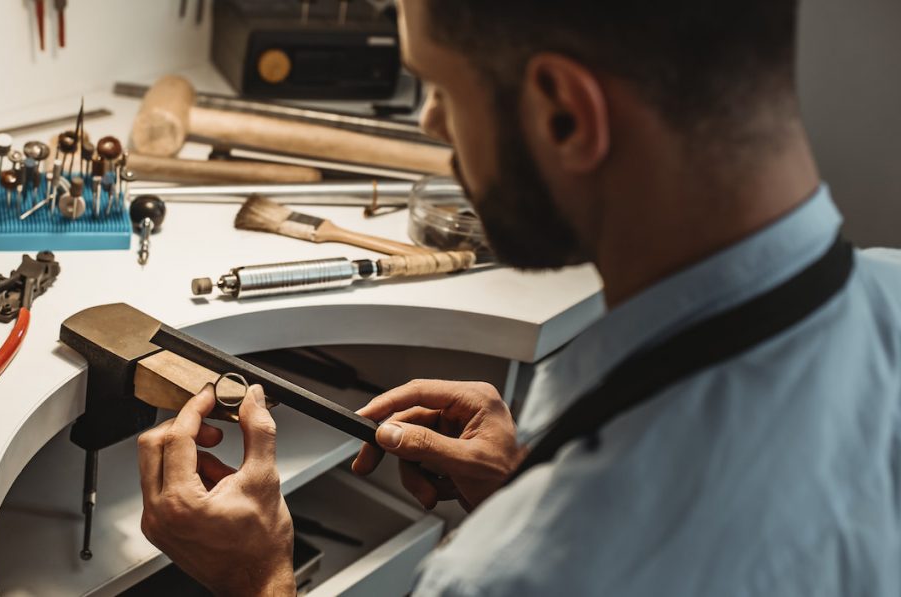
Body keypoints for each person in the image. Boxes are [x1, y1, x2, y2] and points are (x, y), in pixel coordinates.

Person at [135, 0, 901, 594]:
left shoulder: (516, 575)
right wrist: (530, 476)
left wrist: (256, 580)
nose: (432, 122)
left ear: (564, 114)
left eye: (438, 85)